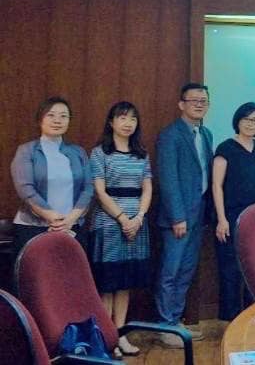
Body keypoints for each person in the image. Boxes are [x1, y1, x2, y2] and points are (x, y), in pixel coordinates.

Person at [88, 101, 152, 356]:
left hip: (137, 223)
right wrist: (123, 218)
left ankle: (121, 335)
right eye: (123, 118)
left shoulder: (141, 154)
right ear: (111, 122)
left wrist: (139, 217)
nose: (128, 123)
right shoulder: (99, 153)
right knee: (108, 283)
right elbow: (99, 191)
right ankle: (106, 338)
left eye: (133, 119)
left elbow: (147, 188)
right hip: (109, 223)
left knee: (126, 283)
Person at [155, 83, 212, 348]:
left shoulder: (206, 134)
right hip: (177, 219)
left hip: (199, 215)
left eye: (204, 101)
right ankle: (165, 326)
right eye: (194, 100)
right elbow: (168, 179)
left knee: (186, 271)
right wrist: (177, 217)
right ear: (181, 104)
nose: (199, 104)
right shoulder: (170, 135)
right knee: (171, 272)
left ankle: (176, 321)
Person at [211, 102, 255, 320]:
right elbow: (216, 185)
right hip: (231, 217)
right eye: (246, 119)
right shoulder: (226, 148)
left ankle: (252, 317)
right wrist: (221, 219)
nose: (250, 124)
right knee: (231, 270)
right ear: (238, 121)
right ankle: (230, 321)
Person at [10, 97, 93, 254]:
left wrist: (70, 219)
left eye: (63, 116)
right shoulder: (26, 151)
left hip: (72, 226)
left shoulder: (78, 152)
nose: (57, 120)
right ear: (40, 119)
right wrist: (52, 217)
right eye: (51, 115)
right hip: (33, 227)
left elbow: (88, 188)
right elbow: (25, 189)